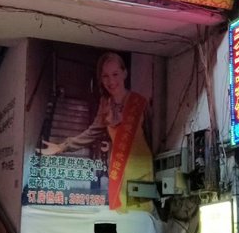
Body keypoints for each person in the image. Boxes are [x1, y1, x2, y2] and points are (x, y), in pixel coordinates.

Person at [39, 52, 154, 212]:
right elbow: (91, 133)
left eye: (115, 74)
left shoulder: (140, 102)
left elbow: (150, 137)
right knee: (121, 217)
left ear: (125, 73)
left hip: (141, 168)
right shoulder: (105, 105)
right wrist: (61, 146)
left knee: (142, 216)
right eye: (105, 76)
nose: (111, 81)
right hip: (118, 169)